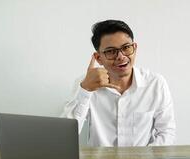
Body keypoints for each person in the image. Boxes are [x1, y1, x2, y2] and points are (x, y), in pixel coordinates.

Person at [61, 19, 176, 147]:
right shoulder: (86, 83)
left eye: (126, 48)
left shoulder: (155, 83)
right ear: (99, 58)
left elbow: (167, 132)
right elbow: (64, 136)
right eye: (111, 51)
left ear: (135, 48)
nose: (121, 56)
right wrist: (85, 90)